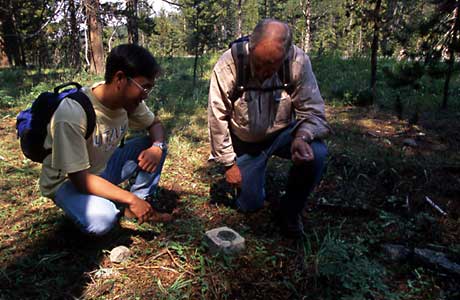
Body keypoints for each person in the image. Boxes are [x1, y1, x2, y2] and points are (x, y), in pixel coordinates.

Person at [208, 19, 330, 238]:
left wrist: (302, 136)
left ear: (285, 55)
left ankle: (290, 211)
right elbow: (217, 117)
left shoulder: (297, 61)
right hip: (246, 143)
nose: (264, 71)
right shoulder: (229, 64)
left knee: (317, 153)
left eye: (271, 64)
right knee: (250, 204)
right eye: (259, 63)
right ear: (251, 47)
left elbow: (314, 111)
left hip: (284, 134)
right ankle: (254, 175)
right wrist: (228, 164)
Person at [39, 44, 171, 236]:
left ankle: (138, 208)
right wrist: (129, 199)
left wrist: (157, 147)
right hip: (67, 181)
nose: (145, 96)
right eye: (144, 87)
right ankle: (127, 205)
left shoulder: (128, 102)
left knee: (155, 146)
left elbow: (155, 125)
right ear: (120, 78)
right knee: (103, 219)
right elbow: (79, 179)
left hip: (100, 169)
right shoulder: (73, 113)